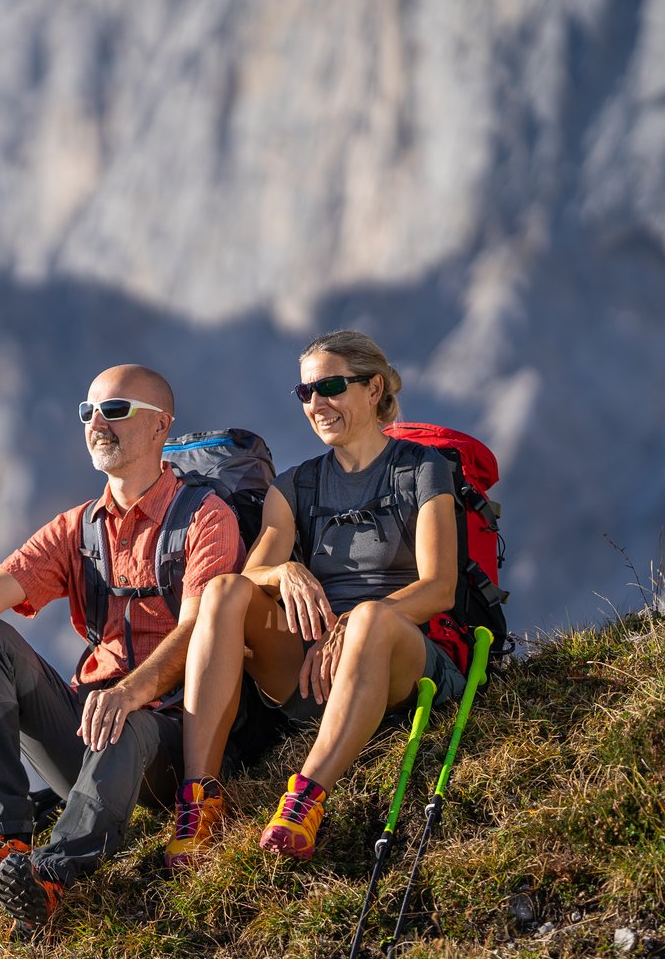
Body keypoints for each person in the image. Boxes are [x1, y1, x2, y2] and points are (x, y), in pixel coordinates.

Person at [0, 363, 243, 928]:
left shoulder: (205, 517)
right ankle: (4, 839)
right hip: (88, 725)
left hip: (167, 732)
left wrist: (128, 693)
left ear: (160, 428)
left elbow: (200, 629)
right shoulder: (77, 528)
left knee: (133, 721)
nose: (97, 422)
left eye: (116, 410)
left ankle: (53, 874)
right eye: (88, 411)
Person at [163, 330, 469, 868]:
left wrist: (355, 626)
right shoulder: (294, 486)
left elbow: (439, 587)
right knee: (225, 590)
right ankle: (200, 799)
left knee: (371, 617)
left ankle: (306, 798)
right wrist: (283, 571)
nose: (316, 404)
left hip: (402, 658)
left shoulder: (422, 469)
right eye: (305, 393)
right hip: (314, 668)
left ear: (374, 389)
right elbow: (253, 570)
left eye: (330, 386)